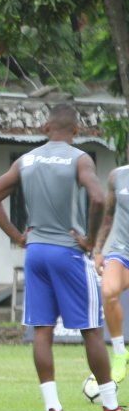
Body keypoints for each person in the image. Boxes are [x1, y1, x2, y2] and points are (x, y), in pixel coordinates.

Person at [0, 103, 128, 411]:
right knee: (91, 329)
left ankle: (53, 409)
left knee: (42, 331)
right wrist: (90, 241)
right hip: (68, 253)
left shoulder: (26, 159)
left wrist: (18, 236)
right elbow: (99, 198)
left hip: (35, 253)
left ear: (46, 128)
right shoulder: (79, 159)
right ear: (76, 131)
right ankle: (110, 406)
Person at [95, 151, 129, 383]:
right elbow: (107, 215)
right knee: (108, 291)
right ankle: (119, 351)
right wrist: (98, 250)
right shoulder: (117, 176)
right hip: (120, 249)